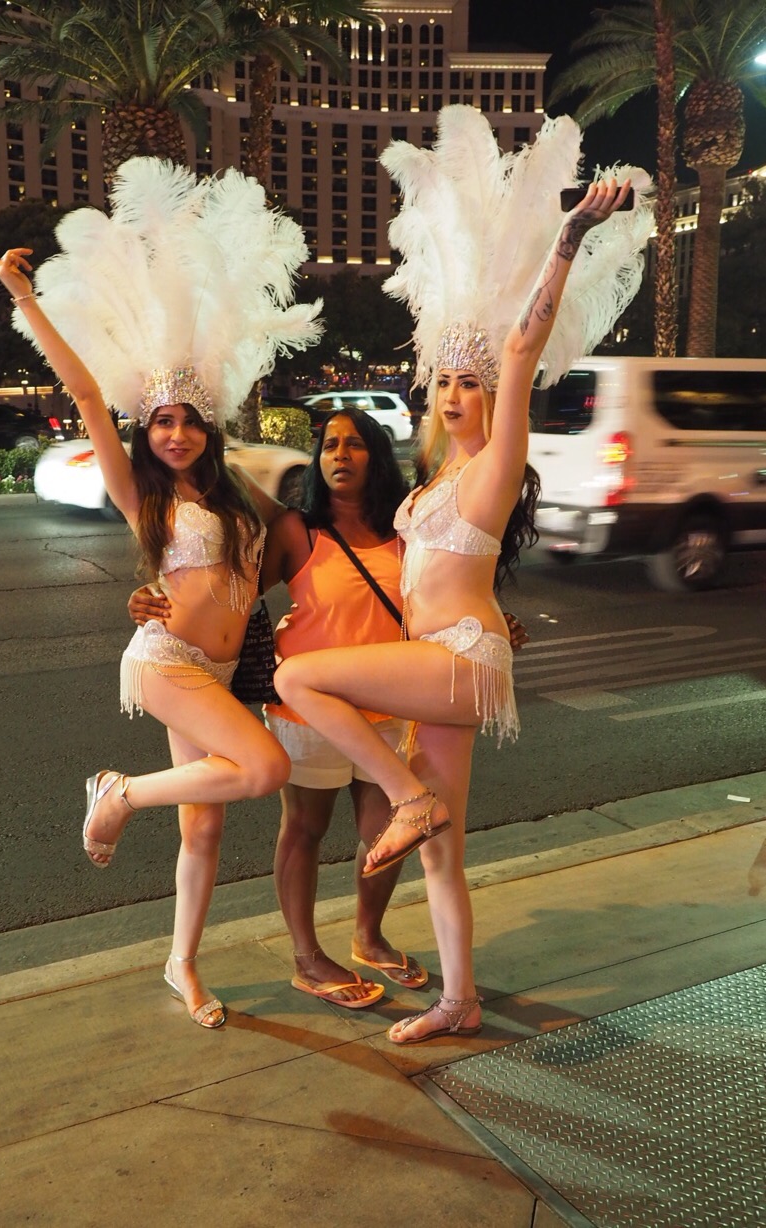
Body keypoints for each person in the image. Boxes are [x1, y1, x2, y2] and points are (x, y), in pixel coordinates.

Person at [274, 107, 653, 1044]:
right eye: (443, 380)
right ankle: (459, 999)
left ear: (492, 395)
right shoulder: (434, 480)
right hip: (440, 663)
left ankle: (405, 800)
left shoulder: (492, 469)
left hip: (457, 658)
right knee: (442, 853)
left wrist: (567, 237)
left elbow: (520, 347)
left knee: (299, 681)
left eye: (469, 382)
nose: (453, 393)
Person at [0, 157, 322, 1030]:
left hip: (221, 671)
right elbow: (86, 393)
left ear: (208, 428)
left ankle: (182, 966)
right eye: (162, 421)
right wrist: (25, 300)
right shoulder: (146, 497)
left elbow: (280, 564)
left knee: (203, 829)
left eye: (186, 421)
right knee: (265, 768)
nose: (173, 433)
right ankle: (118, 792)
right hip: (166, 664)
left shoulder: (240, 497)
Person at [129, 408, 529, 1009]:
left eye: (355, 444)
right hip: (308, 713)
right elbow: (228, 586)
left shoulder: (407, 529)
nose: (340, 455)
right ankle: (307, 957)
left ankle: (369, 936)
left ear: (377, 456)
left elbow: (443, 595)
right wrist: (151, 595)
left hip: (387, 707)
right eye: (329, 445)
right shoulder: (298, 531)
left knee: (384, 834)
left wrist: (494, 624)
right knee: (305, 830)